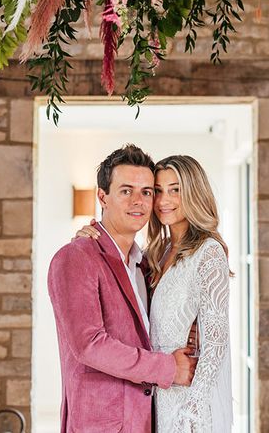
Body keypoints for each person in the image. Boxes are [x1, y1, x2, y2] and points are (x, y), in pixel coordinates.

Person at [48, 145, 197, 433]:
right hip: (100, 424)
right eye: (126, 191)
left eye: (146, 192)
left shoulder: (146, 265)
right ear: (102, 197)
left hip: (149, 420)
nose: (138, 202)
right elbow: (89, 344)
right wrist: (168, 368)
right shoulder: (76, 257)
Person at [78, 154, 233, 432]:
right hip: (154, 393)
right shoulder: (154, 255)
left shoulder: (208, 252)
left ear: (194, 192)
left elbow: (217, 345)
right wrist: (89, 236)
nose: (163, 201)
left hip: (187, 397)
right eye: (158, 191)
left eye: (176, 190)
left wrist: (192, 412)